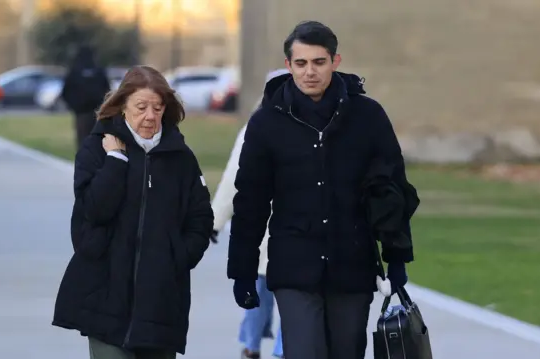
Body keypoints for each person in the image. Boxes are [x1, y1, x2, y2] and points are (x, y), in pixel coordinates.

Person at [227, 21, 415, 359]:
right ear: (288, 66)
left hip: (352, 262)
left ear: (335, 61)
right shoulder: (267, 123)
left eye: (319, 62)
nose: (309, 72)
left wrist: (397, 257)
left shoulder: (367, 116)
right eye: (301, 63)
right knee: (304, 352)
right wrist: (242, 269)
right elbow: (250, 201)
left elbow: (391, 189)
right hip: (293, 263)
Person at [52, 65, 214, 359]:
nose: (150, 116)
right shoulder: (97, 149)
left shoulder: (180, 158)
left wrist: (178, 256)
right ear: (122, 106)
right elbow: (93, 210)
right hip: (104, 295)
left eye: (157, 107)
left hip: (161, 303)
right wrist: (116, 160)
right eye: (141, 107)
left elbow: (200, 218)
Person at [211, 69, 288, 359]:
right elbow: (235, 180)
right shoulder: (260, 129)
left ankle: (255, 347)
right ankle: (264, 348)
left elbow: (233, 180)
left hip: (271, 236)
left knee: (267, 295)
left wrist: (217, 222)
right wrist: (216, 220)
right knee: (273, 296)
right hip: (269, 234)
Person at [61, 45, 111, 150]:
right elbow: (107, 91)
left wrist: (74, 106)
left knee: (83, 141)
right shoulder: (99, 71)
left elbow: (65, 92)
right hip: (98, 112)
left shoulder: (74, 72)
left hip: (81, 113)